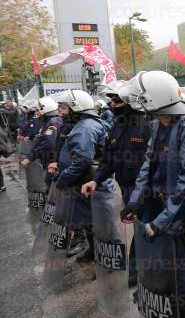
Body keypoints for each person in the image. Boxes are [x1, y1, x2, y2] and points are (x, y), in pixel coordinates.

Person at [119, 71, 185, 315]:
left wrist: (162, 222)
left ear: (156, 100)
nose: (140, 106)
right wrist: (135, 202)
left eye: (143, 100)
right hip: (171, 209)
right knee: (175, 266)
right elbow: (148, 164)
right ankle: (178, 304)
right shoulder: (158, 125)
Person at [81, 87, 151, 286]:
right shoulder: (116, 125)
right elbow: (108, 159)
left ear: (131, 102)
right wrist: (96, 179)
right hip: (127, 188)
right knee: (141, 229)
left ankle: (138, 273)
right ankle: (142, 273)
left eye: (118, 101)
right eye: (111, 101)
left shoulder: (147, 124)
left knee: (142, 229)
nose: (113, 105)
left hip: (147, 189)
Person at [54, 89, 114, 261]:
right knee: (89, 221)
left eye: (63, 108)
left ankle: (106, 263)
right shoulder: (83, 124)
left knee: (98, 222)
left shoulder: (85, 127)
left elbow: (82, 161)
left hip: (89, 184)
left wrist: (63, 178)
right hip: (86, 183)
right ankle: (95, 251)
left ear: (76, 108)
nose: (60, 112)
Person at [20, 97, 63, 198]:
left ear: (45, 109)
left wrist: (30, 158)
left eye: (37, 110)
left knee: (50, 183)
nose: (35, 113)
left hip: (51, 160)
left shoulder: (52, 122)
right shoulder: (48, 122)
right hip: (49, 159)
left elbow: (48, 143)